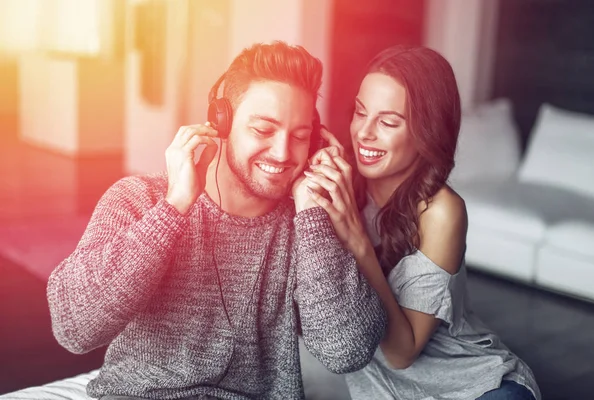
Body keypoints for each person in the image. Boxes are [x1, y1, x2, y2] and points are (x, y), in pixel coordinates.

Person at [46, 41, 386, 400]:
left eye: (300, 137)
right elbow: (74, 327)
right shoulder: (140, 198)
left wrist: (311, 214)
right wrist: (174, 208)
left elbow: (346, 351)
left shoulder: (306, 228)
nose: (284, 153)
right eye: (263, 130)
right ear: (221, 123)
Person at [303, 45, 541, 400]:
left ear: (425, 131)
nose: (364, 133)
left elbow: (402, 352)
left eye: (387, 122)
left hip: (476, 388)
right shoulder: (343, 187)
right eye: (360, 112)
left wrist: (358, 243)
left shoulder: (441, 212)